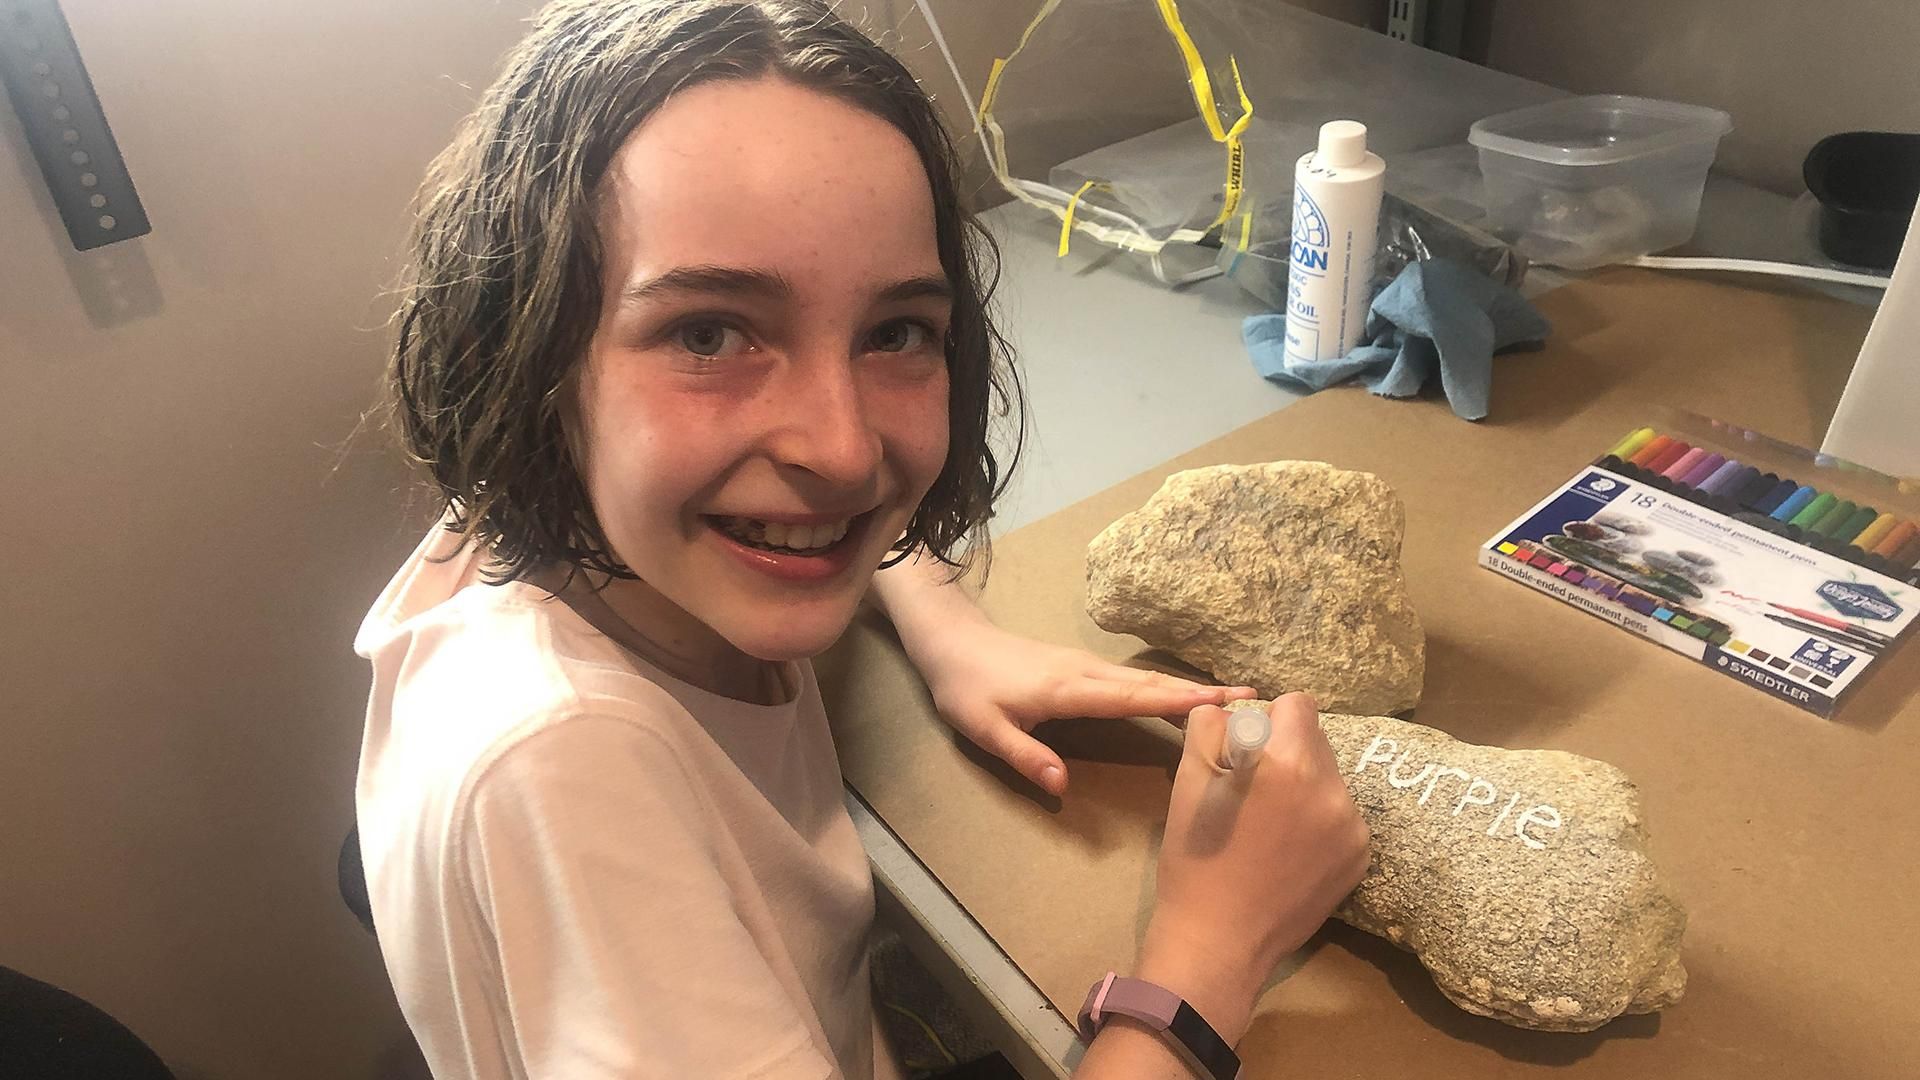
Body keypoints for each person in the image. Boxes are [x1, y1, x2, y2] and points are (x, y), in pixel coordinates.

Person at [353, 1, 1370, 1077]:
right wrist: (1212, 950)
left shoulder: (552, 522)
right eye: (709, 333)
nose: (842, 452)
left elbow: (792, 489)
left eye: (894, 333)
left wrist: (946, 628)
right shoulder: (562, 768)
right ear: (532, 358)